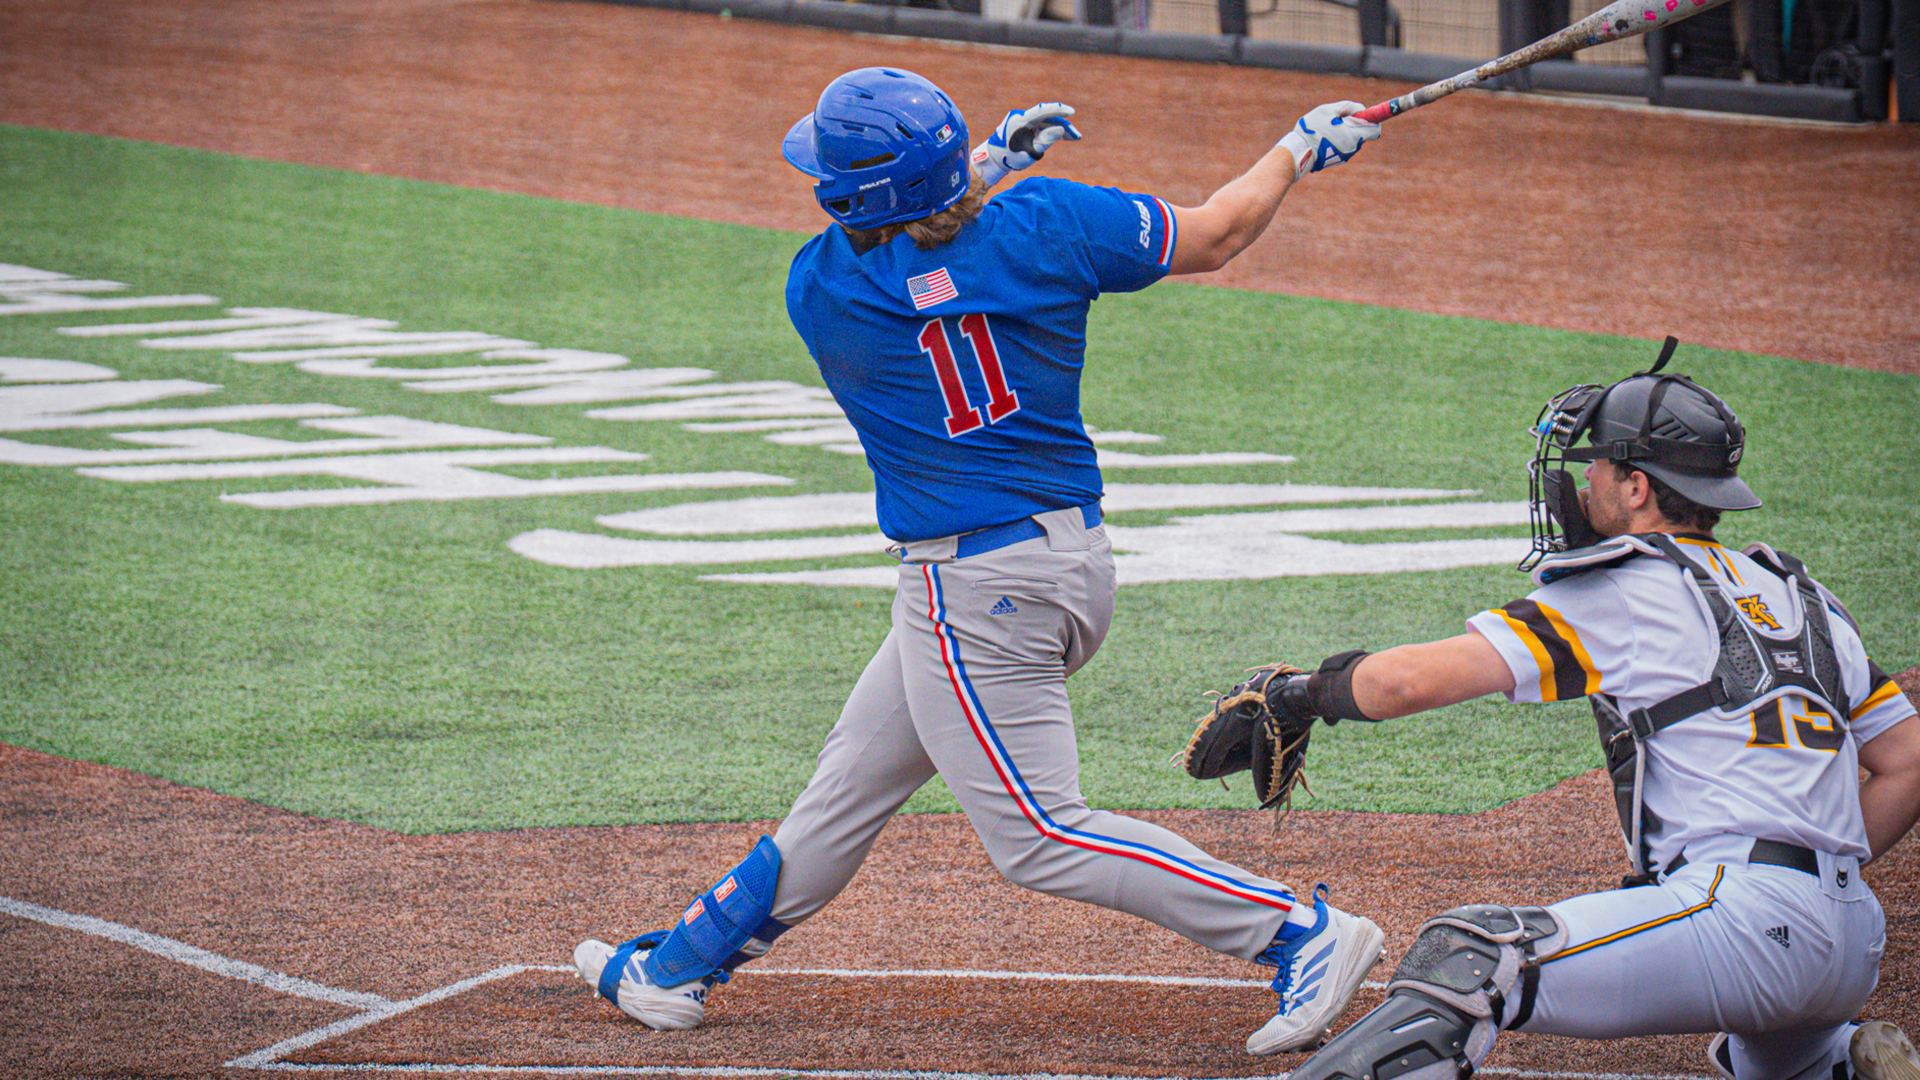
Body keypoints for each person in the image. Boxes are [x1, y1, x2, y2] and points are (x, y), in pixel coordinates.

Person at [572, 66, 1387, 1055]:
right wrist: (1298, 147)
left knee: (1040, 835)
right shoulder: (1049, 222)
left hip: (974, 596)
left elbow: (910, 252)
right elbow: (1214, 231)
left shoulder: (823, 291)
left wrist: (983, 167)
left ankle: (1302, 934)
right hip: (1068, 569)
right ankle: (672, 970)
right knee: (851, 782)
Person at [1245, 343, 1920, 1080]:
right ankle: (1836, 1062)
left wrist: (1302, 693)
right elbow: (1906, 761)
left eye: (1595, 464)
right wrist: (1821, 869)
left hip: (1743, 922)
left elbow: (1411, 683)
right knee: (1777, 1055)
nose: (1582, 479)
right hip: (1849, 940)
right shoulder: (1802, 594)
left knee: (1475, 958)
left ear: (1637, 488)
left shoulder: (1629, 586)